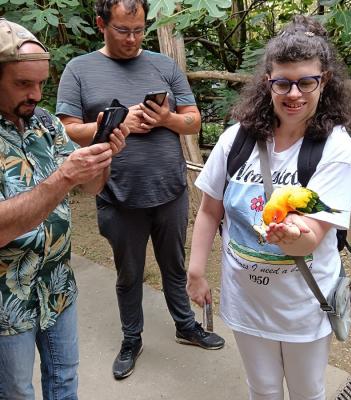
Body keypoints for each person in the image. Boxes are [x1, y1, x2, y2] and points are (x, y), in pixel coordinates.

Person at [187, 15, 351, 400]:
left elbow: (311, 238)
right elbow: (210, 210)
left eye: (306, 82)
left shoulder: (334, 147)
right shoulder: (238, 139)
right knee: (262, 389)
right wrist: (196, 271)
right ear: (268, 82)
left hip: (302, 305)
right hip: (246, 300)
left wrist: (288, 236)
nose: (293, 93)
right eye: (282, 82)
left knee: (306, 392)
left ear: (323, 81)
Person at [56, 0, 225, 381]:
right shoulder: (79, 69)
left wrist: (166, 118)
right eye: (122, 30)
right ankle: (132, 338)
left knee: (175, 266)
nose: (132, 39)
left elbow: (193, 121)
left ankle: (186, 325)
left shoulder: (165, 65)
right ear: (101, 24)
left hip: (170, 190)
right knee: (129, 272)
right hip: (117, 192)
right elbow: (66, 129)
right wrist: (116, 121)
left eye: (139, 30)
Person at [0, 18, 128, 400]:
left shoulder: (44, 123)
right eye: (23, 84)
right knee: (17, 393)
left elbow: (89, 186)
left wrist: (103, 157)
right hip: (8, 303)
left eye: (41, 83)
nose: (37, 94)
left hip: (57, 287)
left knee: (65, 382)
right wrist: (62, 178)